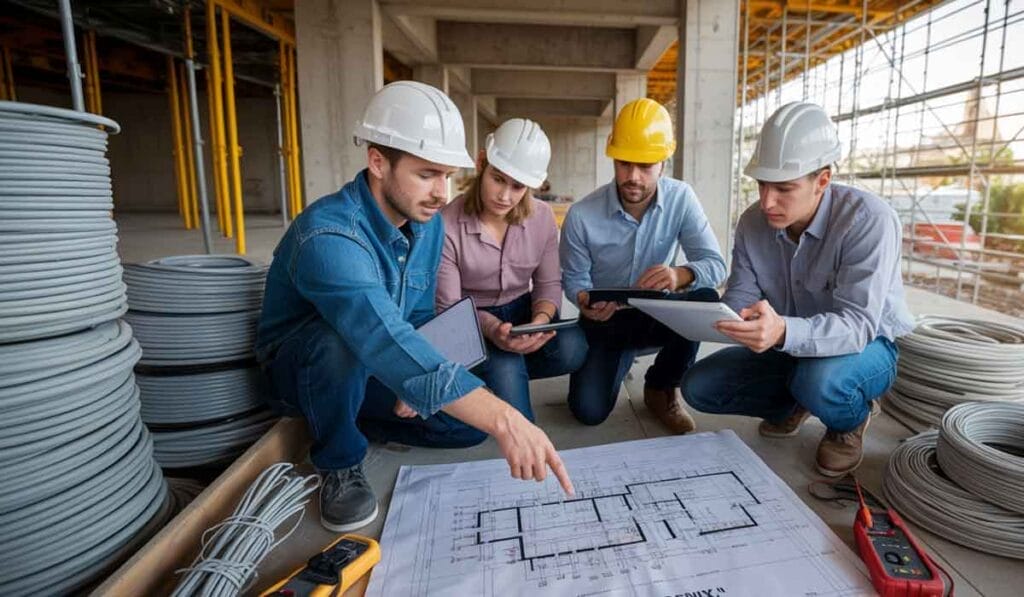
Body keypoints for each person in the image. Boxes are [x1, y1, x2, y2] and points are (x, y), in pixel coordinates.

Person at [256, 82, 573, 533]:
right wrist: (506, 419)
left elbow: (421, 318)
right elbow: (378, 334)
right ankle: (339, 461)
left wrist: (416, 378)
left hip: (374, 359)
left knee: (465, 427)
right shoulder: (329, 237)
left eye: (446, 176)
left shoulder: (425, 227)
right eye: (427, 174)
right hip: (309, 366)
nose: (442, 193)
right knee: (340, 342)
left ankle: (349, 414)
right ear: (378, 162)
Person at [680, 101, 915, 477]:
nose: (767, 201)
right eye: (761, 185)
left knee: (818, 381)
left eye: (784, 188)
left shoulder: (869, 221)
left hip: (867, 345)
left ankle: (849, 421)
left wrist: (784, 330)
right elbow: (742, 291)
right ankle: (793, 406)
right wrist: (728, 318)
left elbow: (856, 326)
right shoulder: (753, 222)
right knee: (698, 387)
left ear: (822, 180)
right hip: (788, 342)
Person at [559, 98, 727, 433]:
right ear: (613, 158)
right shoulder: (581, 215)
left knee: (703, 298)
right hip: (605, 322)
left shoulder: (682, 198)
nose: (632, 177)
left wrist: (680, 275)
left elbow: (716, 266)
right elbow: (575, 279)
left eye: (645, 167)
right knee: (588, 412)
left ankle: (662, 387)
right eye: (624, 164)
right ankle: (616, 362)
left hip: (658, 313)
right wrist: (583, 301)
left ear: (664, 163)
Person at [437, 118, 587, 424]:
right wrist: (493, 330)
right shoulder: (446, 224)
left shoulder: (543, 217)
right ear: (482, 162)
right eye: (498, 178)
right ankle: (497, 367)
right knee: (515, 402)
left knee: (574, 347)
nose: (505, 196)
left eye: (517, 186)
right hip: (471, 318)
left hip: (522, 312)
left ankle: (500, 368)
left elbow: (548, 284)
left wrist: (540, 322)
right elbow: (450, 309)